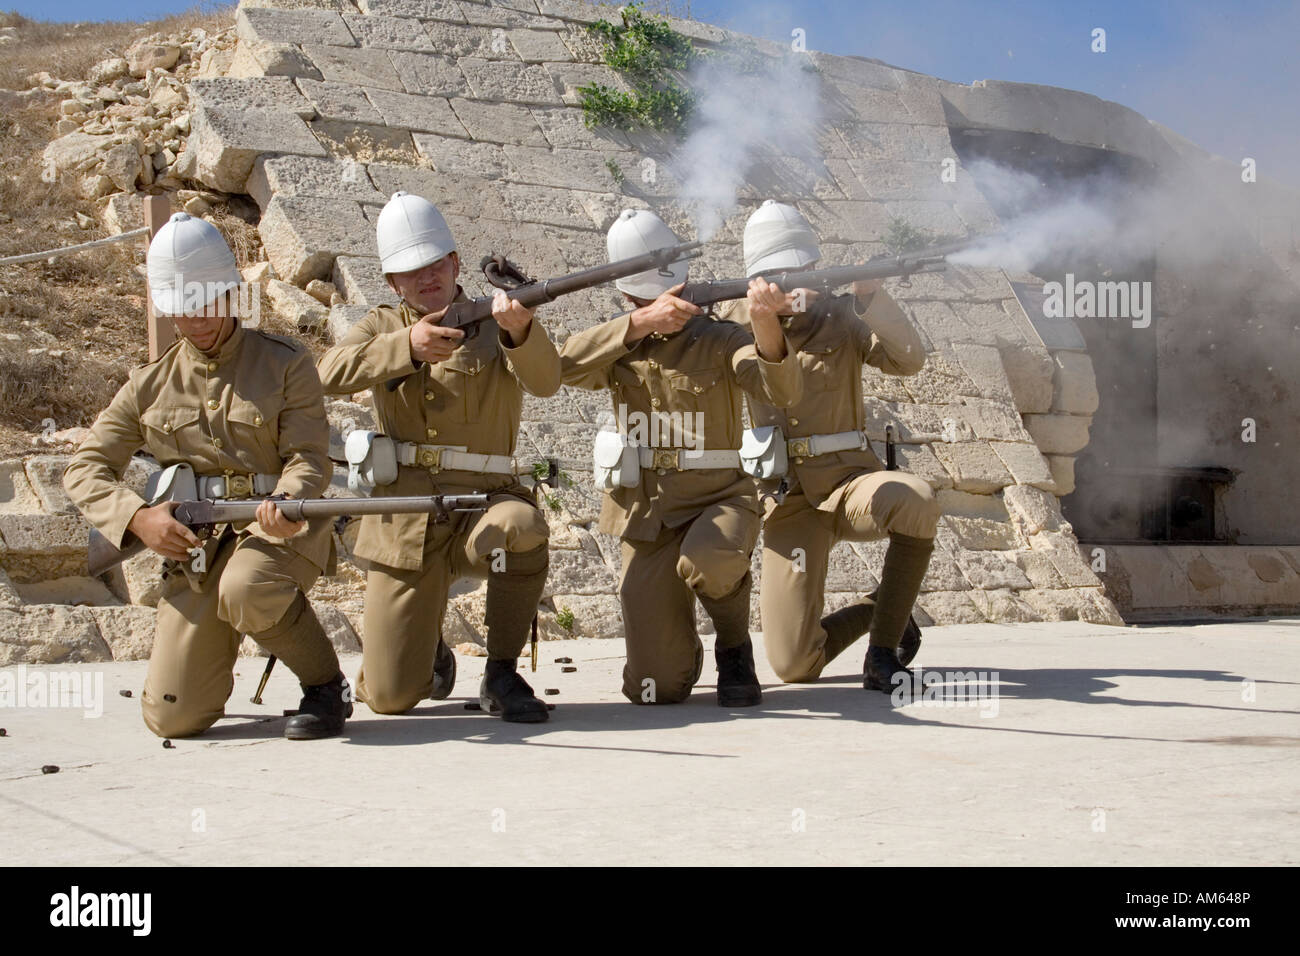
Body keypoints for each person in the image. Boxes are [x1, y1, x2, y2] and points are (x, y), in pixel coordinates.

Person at [63, 212, 349, 739]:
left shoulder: (286, 363)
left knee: (247, 588)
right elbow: (84, 469)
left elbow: (310, 456)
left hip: (277, 529)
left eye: (203, 305)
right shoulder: (149, 385)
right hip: (197, 549)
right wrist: (139, 518)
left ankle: (326, 686)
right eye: (179, 310)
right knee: (172, 716)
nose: (194, 321)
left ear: (230, 292)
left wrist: (287, 499)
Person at [316, 192, 560, 722]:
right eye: (411, 272)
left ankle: (502, 672)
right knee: (388, 697)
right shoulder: (383, 326)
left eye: (435, 265)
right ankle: (428, 653)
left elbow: (547, 381)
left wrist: (521, 330)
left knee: (523, 527)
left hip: (485, 506)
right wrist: (406, 345)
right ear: (392, 284)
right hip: (406, 518)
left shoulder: (499, 319)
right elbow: (326, 373)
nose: (426, 279)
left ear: (454, 263)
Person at [559, 209, 801, 707]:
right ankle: (680, 653)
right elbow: (560, 367)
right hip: (646, 513)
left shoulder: (721, 339)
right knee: (655, 690)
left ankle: (734, 647)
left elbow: (782, 388)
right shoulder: (621, 342)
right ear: (626, 298)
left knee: (708, 560)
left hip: (719, 498)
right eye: (643, 300)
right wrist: (638, 323)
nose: (663, 304)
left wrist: (766, 327)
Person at [723, 200, 940, 692]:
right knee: (794, 664)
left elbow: (908, 361)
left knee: (917, 501)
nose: (804, 282)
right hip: (787, 497)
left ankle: (883, 654)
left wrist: (870, 298)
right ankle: (882, 607)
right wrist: (765, 322)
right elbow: (777, 388)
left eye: (810, 268)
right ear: (761, 278)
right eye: (789, 273)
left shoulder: (842, 315)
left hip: (850, 483)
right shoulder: (733, 323)